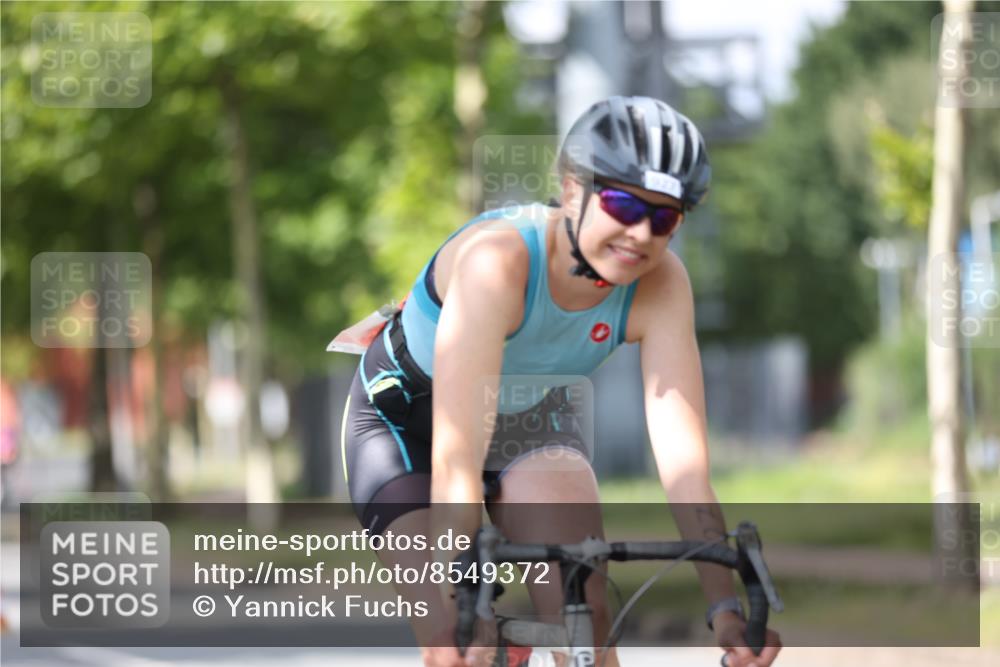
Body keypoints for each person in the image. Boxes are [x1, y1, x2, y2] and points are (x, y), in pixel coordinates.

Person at [340, 96, 782, 667]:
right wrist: (462, 593)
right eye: (623, 204)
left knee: (586, 619)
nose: (640, 234)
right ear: (573, 190)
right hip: (407, 424)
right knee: (452, 635)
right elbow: (456, 461)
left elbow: (686, 470)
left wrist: (724, 609)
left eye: (664, 218)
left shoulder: (663, 284)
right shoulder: (497, 263)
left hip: (526, 420)